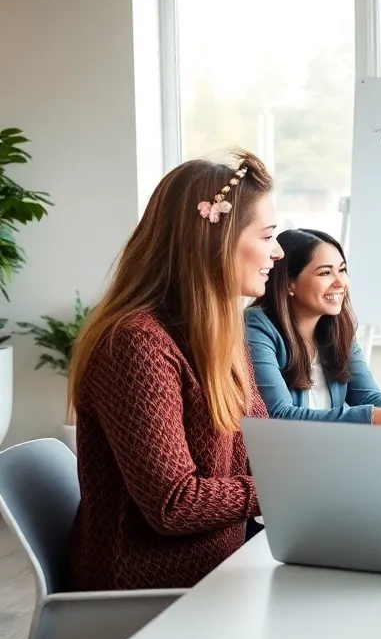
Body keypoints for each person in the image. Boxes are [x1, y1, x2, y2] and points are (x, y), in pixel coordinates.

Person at [66, 150, 279, 591]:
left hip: (221, 567)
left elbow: (262, 448)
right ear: (216, 241)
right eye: (267, 235)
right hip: (149, 590)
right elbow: (174, 504)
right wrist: (296, 485)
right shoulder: (135, 343)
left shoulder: (217, 335)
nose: (277, 252)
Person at [246, 229, 381, 427]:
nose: (341, 282)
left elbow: (368, 397)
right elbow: (280, 415)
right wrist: (373, 416)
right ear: (290, 283)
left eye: (341, 270)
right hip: (284, 454)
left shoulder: (338, 329)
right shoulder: (257, 325)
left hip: (332, 450)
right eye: (325, 272)